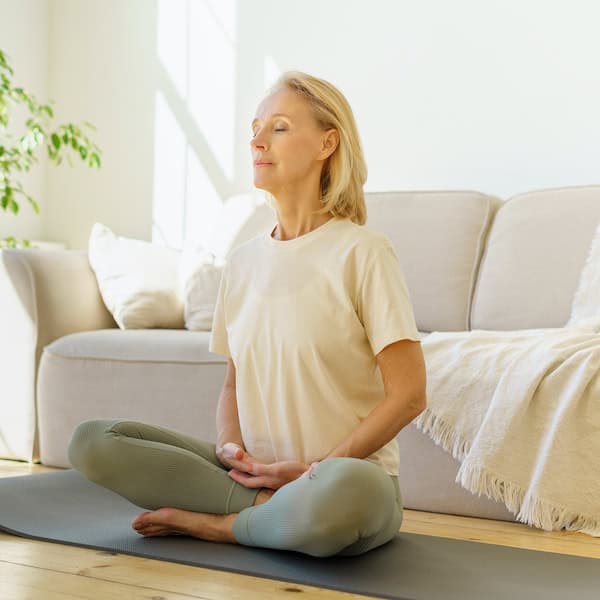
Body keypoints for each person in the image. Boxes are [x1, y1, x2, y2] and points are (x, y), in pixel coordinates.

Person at [67, 71, 427, 557]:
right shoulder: (241, 262)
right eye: (255, 128)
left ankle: (224, 526)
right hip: (251, 476)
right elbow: (235, 382)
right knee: (93, 441)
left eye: (278, 127)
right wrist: (231, 450)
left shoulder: (363, 252)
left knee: (347, 494)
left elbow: (409, 395)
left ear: (328, 142)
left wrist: (312, 472)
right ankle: (266, 510)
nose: (257, 140)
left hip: (345, 480)